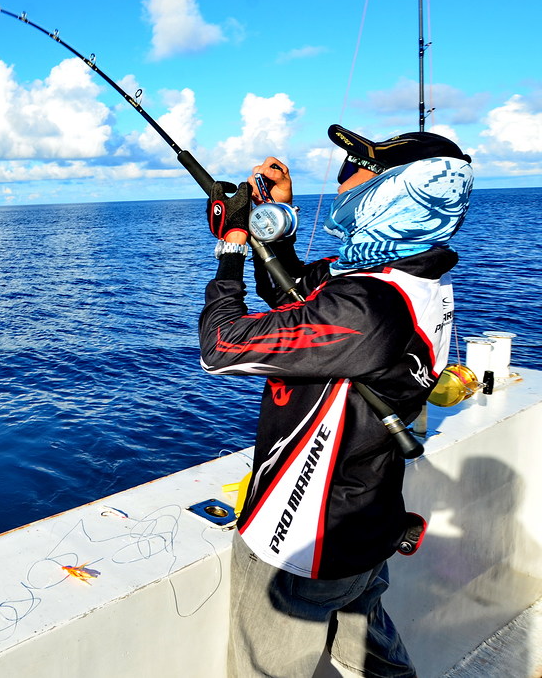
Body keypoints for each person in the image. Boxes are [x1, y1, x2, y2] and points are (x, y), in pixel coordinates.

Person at [199, 124, 475, 677]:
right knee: (373, 660)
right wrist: (273, 224)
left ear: (399, 192)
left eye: (356, 170)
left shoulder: (370, 307)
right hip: (365, 522)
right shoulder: (400, 280)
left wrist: (228, 250)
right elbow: (294, 294)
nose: (343, 178)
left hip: (304, 538)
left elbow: (222, 345)